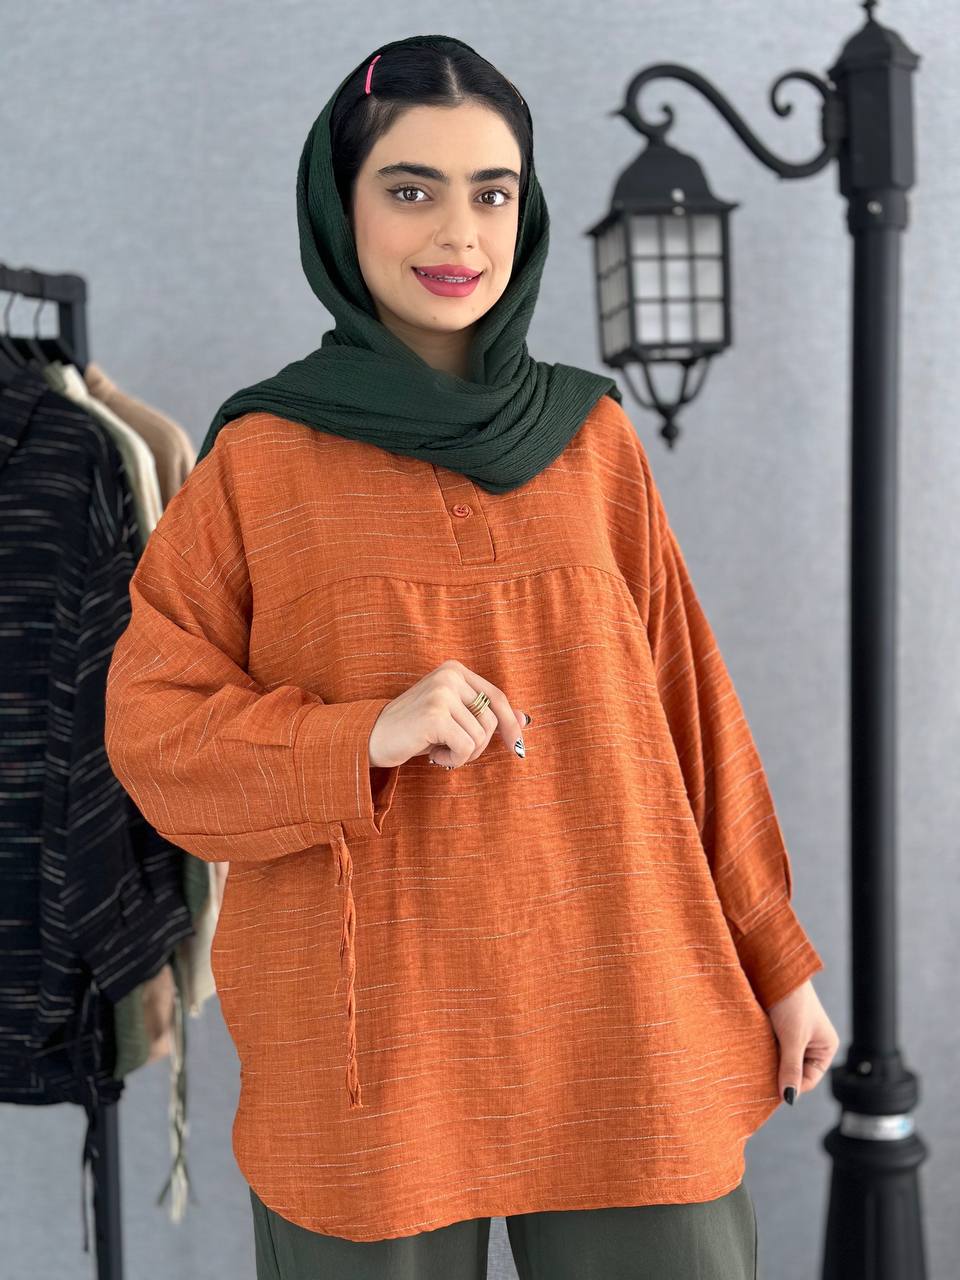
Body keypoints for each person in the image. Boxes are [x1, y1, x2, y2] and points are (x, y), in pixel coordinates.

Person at [104, 33, 839, 1280]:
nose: (459, 232)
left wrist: (775, 958)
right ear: (339, 206)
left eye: (492, 192)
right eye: (411, 188)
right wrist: (361, 734)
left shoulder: (591, 440)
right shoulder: (259, 463)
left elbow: (691, 714)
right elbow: (156, 732)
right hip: (378, 1040)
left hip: (626, 1005)